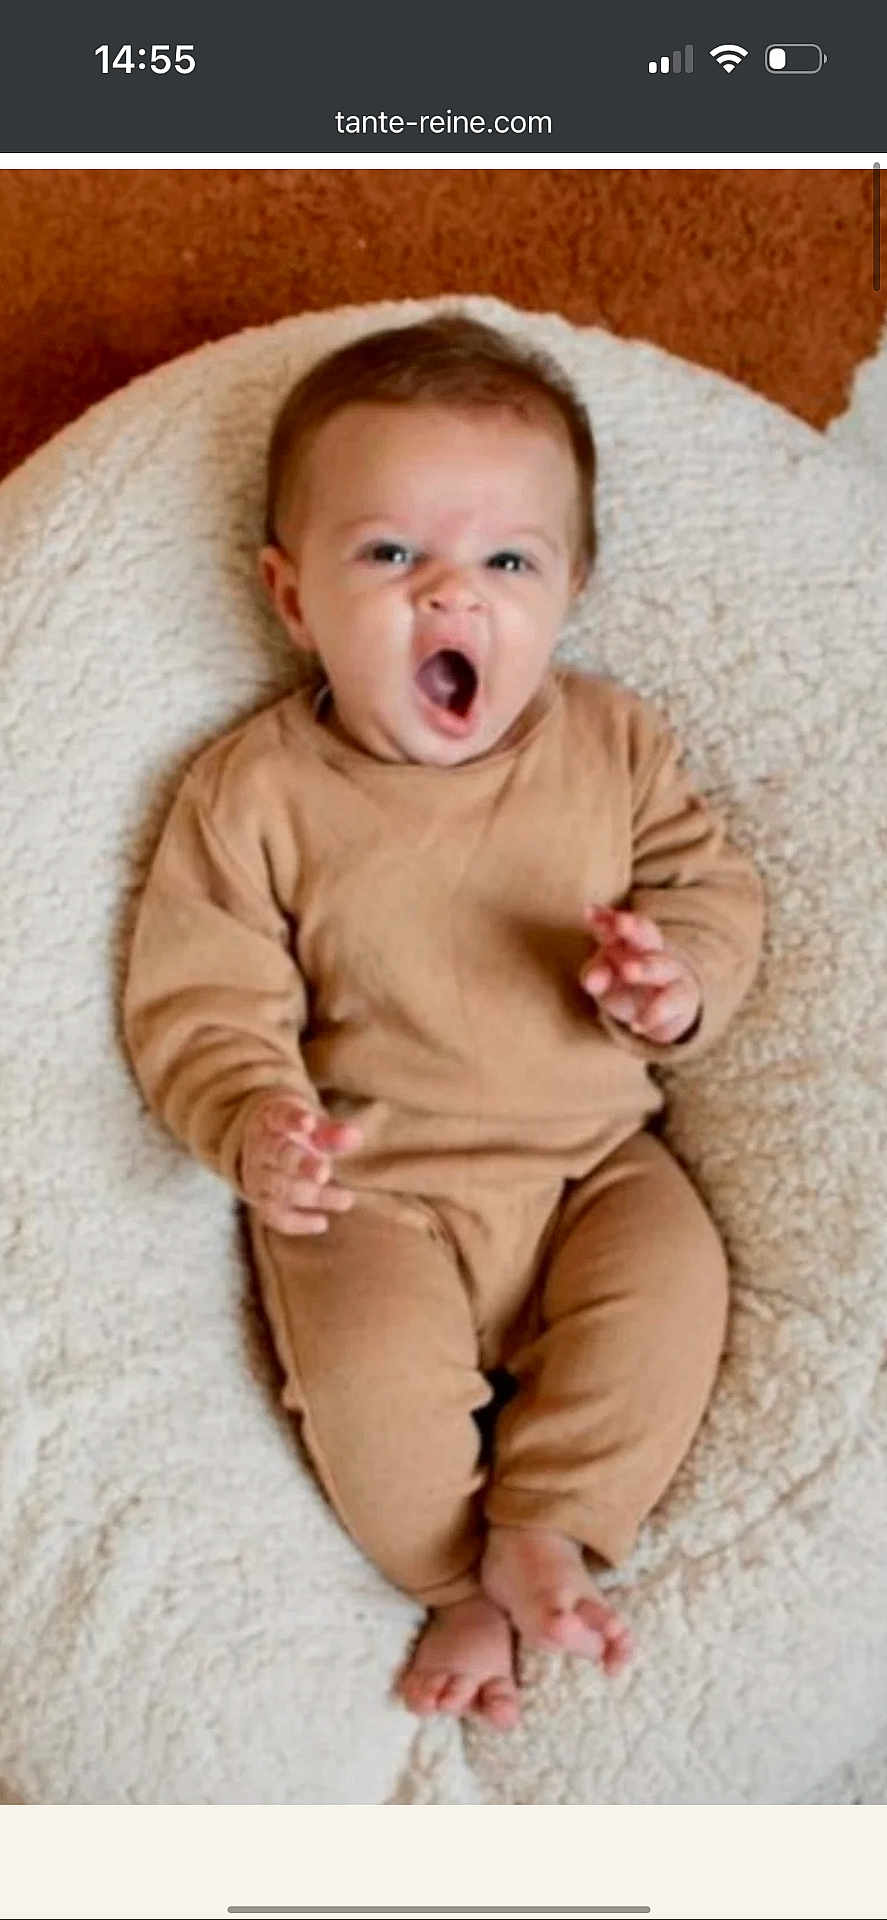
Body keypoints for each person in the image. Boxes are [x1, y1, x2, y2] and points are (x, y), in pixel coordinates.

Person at [123, 313, 764, 1731]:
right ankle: (452, 1570)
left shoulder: (614, 746)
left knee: (675, 1293)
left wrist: (680, 979)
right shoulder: (255, 792)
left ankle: (548, 1526)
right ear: (293, 598)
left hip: (598, 1163)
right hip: (373, 1187)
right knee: (363, 1391)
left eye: (508, 563)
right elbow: (201, 990)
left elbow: (711, 891)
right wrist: (251, 1120)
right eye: (393, 555)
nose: (450, 599)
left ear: (572, 589)